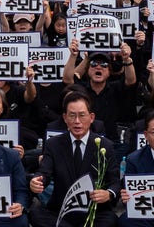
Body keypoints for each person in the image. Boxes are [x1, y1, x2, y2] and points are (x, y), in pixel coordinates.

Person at [28, 91, 120, 227]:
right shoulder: (53, 144)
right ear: (65, 118)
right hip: (61, 211)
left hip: (93, 211)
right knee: (35, 215)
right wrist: (37, 181)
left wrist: (109, 194)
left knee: (110, 219)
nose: (77, 121)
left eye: (82, 115)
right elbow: (44, 172)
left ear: (92, 117)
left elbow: (115, 181)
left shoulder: (105, 145)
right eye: (72, 115)